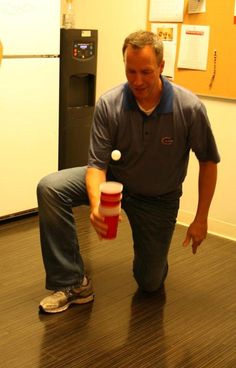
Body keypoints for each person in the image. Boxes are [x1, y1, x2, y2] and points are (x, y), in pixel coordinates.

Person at [37, 30, 220, 314]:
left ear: (161, 67)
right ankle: (73, 282)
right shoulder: (110, 104)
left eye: (146, 72)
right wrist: (97, 206)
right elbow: (96, 166)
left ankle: (155, 259)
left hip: (158, 198)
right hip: (115, 182)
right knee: (51, 187)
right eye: (130, 71)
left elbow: (208, 162)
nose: (137, 81)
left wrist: (201, 218)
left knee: (149, 282)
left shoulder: (189, 108)